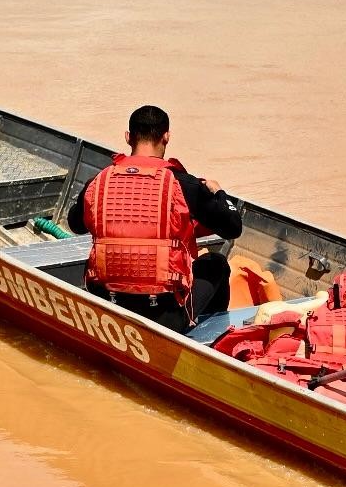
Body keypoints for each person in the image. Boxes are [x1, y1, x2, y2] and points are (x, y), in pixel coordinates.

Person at [68, 105, 243, 333]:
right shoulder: (183, 183)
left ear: (128, 137)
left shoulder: (98, 181)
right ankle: (209, 335)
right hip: (164, 316)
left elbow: (75, 225)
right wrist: (219, 193)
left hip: (106, 306)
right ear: (166, 137)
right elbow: (233, 227)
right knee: (215, 264)